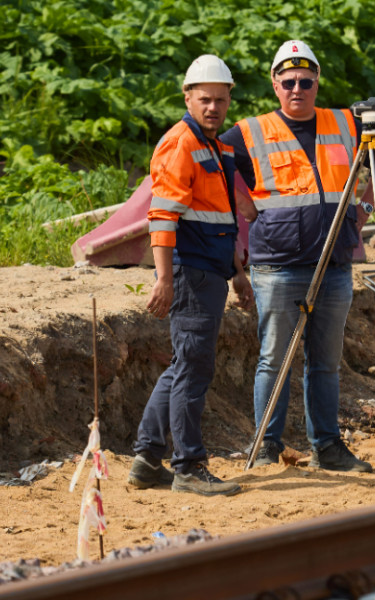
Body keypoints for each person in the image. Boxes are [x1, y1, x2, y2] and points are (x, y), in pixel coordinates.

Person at [220, 40, 375, 472]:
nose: (297, 89)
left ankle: (327, 447)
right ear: (275, 84)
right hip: (277, 266)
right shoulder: (250, 132)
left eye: (305, 81)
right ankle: (267, 447)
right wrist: (243, 208)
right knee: (275, 360)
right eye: (288, 81)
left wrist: (362, 211)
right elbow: (213, 163)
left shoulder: (345, 123)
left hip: (334, 265)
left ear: (316, 81)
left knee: (324, 363)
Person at [128, 55, 253, 497]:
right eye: (205, 99)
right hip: (189, 272)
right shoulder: (180, 143)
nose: (214, 107)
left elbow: (222, 218)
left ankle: (146, 460)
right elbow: (161, 217)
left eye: (220, 100)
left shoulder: (217, 148)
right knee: (194, 370)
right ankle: (189, 467)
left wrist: (237, 273)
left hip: (210, 270)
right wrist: (163, 279)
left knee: (184, 366)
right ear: (188, 98)